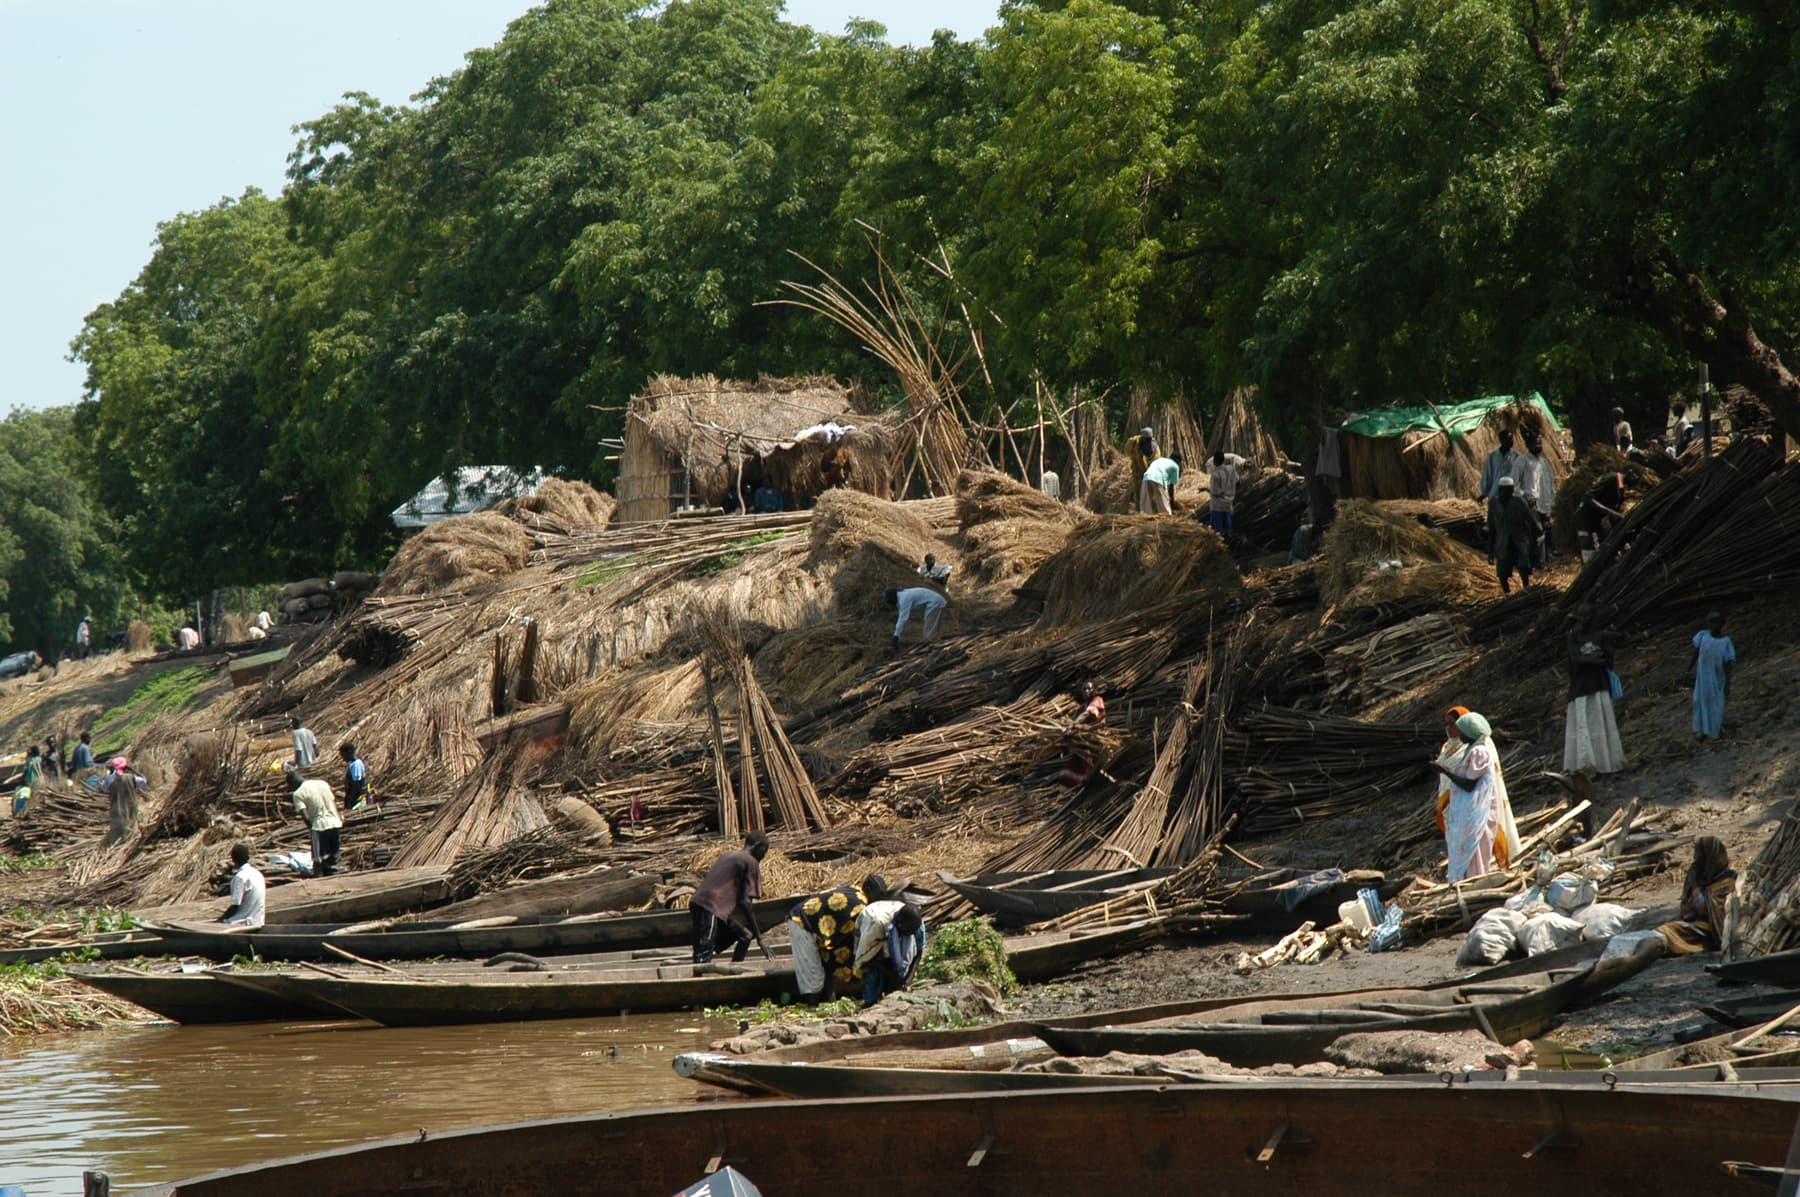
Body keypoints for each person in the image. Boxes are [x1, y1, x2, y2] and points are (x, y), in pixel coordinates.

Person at [1430, 712, 1521, 883]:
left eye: (1461, 729)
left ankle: (1475, 886)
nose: (1457, 732)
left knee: (1475, 852)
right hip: (1467, 813)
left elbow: (1469, 784)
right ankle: (1465, 885)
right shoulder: (1468, 749)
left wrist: (1445, 772)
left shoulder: (1480, 751)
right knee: (1465, 852)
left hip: (1477, 813)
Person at [787, 875, 886, 1002]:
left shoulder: (855, 891)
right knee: (813, 976)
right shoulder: (859, 905)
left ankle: (828, 1001)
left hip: (815, 924)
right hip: (802, 922)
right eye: (877, 896)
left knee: (826, 964)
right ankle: (812, 1008)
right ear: (868, 890)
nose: (878, 900)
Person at [689, 830, 768, 964]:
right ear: (757, 845)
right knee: (704, 950)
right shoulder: (750, 861)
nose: (764, 856)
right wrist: (760, 938)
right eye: (764, 851)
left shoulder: (728, 855)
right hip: (710, 906)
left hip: (704, 904)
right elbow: (745, 902)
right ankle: (699, 981)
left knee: (745, 936)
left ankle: (734, 971)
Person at [1564, 603, 1625, 774]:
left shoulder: (1600, 636)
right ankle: (1585, 764)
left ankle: (1605, 764)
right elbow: (1576, 660)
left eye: (1587, 616)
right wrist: (1595, 659)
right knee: (1583, 724)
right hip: (1581, 686)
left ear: (1593, 618)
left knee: (1600, 722)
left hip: (1598, 684)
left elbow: (1609, 659)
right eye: (1581, 616)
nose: (1583, 620)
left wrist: (1590, 659)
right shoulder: (1573, 636)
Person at [1657, 837, 1736, 954]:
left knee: (1666, 931)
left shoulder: (1726, 882)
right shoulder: (1696, 875)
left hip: (1710, 931)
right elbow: (1685, 907)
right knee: (1662, 931)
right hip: (1692, 923)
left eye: (1698, 855)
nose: (1695, 858)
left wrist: (1698, 894)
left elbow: (1712, 911)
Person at [854, 899, 927, 1006]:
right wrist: (892, 976)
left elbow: (919, 950)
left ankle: (891, 988)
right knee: (875, 976)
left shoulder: (917, 926)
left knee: (899, 967)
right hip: (871, 923)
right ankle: (870, 1003)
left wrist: (908, 980)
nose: (907, 935)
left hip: (892, 924)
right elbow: (866, 958)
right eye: (905, 933)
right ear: (900, 924)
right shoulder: (877, 925)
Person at [1689, 610, 1736, 740]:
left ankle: (1714, 730)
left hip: (1717, 678)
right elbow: (1696, 653)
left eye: (1716, 622)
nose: (1712, 625)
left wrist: (1728, 683)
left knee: (1715, 703)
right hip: (1702, 677)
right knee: (1700, 701)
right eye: (1710, 622)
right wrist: (1689, 670)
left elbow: (1727, 663)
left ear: (1722, 624)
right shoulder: (1703, 636)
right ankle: (1701, 730)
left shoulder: (1725, 642)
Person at [287, 768, 343, 876]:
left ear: (293, 783)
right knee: (334, 857)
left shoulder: (298, 794)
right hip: (335, 823)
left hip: (319, 826)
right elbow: (332, 802)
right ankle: (335, 878)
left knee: (318, 860)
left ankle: (318, 882)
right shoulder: (322, 783)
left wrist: (312, 830)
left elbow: (306, 817)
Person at [1486, 476, 1535, 593]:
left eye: (1507, 490)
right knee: (1502, 574)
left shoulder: (1518, 502)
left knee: (1523, 567)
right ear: (1499, 489)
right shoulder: (1494, 504)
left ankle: (1526, 590)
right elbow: (1492, 528)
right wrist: (1490, 552)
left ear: (1512, 490)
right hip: (1502, 543)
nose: (1504, 493)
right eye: (1502, 489)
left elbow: (1531, 521)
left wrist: (1533, 543)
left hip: (1519, 542)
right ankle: (1507, 594)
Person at [1058, 680, 1107, 789]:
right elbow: (1076, 719)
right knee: (1074, 766)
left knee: (1088, 764)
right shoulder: (1082, 707)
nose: (1086, 691)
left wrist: (1072, 726)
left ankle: (1088, 785)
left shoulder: (1097, 701)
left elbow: (1088, 714)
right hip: (1082, 741)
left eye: (1089, 689)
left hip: (1094, 740)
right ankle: (1073, 787)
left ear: (1094, 690)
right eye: (1084, 689)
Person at [1515, 431, 1555, 565]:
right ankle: (1537, 562)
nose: (1539, 445)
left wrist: (1552, 504)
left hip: (1545, 504)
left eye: (1540, 443)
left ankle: (1544, 560)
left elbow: (1550, 485)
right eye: (1535, 443)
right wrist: (1524, 497)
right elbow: (1514, 483)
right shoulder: (1522, 461)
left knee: (1545, 532)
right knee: (1537, 533)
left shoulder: (1544, 463)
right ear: (1528, 445)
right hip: (1531, 504)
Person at [1432, 704, 1470, 840]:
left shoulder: (1470, 747)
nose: (1449, 728)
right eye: (1446, 724)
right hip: (1448, 799)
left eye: (1452, 724)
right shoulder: (1447, 747)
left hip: (1465, 799)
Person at [1575, 472, 1626, 563]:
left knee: (1599, 547)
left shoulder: (1618, 489)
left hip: (1595, 521)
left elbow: (1613, 514)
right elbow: (1587, 498)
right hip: (1586, 520)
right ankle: (1589, 573)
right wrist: (1611, 512)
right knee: (1590, 550)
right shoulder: (1613, 479)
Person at [218, 843, 267, 928]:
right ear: (248, 858)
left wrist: (220, 919)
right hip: (258, 921)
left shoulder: (240, 877)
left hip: (243, 922)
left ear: (233, 860)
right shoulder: (257, 873)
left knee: (221, 922)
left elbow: (235, 906)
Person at [1205, 450, 1249, 535]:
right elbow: (1239, 481)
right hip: (1228, 504)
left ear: (1214, 461)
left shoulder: (1215, 475)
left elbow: (1215, 492)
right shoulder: (1231, 470)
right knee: (1227, 527)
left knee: (1217, 531)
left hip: (1217, 506)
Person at [1478, 429, 1525, 500]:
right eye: (1508, 439)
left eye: (1511, 439)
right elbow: (1487, 475)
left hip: (1512, 495)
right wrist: (1484, 493)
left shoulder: (1517, 457)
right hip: (1496, 493)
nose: (1511, 441)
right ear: (1501, 440)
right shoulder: (1492, 457)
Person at [104, 756, 138, 845]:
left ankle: (119, 842)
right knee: (131, 823)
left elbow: (104, 789)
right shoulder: (131, 777)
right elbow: (144, 781)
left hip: (116, 808)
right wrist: (134, 771)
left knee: (118, 828)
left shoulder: (109, 779)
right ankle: (130, 841)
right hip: (130, 806)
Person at [1138, 451, 1182, 515]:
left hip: (1147, 477)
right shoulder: (1175, 466)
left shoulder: (1160, 459)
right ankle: (1167, 519)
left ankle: (1145, 518)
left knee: (1146, 503)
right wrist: (1172, 501)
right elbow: (1171, 487)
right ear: (1178, 461)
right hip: (1159, 479)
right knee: (1163, 503)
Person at [339, 743, 373, 810]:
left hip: (358, 797)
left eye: (343, 755)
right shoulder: (354, 764)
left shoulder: (356, 765)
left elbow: (356, 784)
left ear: (348, 753)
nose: (342, 758)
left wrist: (351, 800)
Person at [1126, 428, 1157, 498]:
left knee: (1150, 490)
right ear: (1143, 438)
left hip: (1149, 470)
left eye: (1150, 439)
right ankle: (1138, 506)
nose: (1148, 440)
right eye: (1147, 439)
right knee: (1137, 489)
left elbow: (1156, 458)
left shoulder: (1154, 446)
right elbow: (1128, 452)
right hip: (1137, 469)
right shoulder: (1134, 444)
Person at [13, 745, 41, 817]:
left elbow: (25, 772)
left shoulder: (30, 760)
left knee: (24, 797)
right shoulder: (40, 759)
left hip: (29, 783)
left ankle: (20, 813)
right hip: (39, 783)